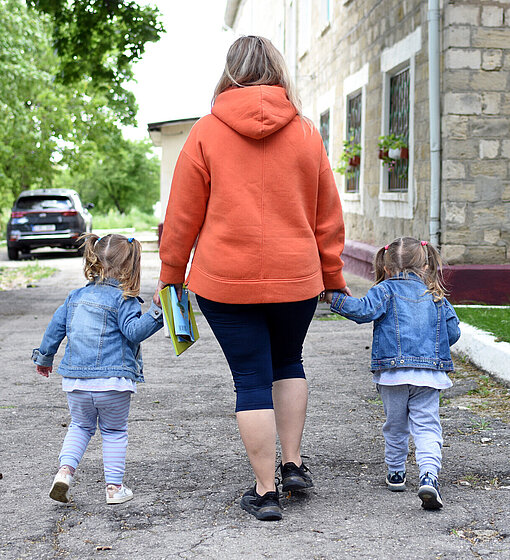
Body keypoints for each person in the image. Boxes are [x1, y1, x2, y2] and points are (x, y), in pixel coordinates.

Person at [153, 35, 350, 521]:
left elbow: (182, 217)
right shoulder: (306, 132)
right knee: (288, 361)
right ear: (278, 70)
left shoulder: (204, 133)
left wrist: (170, 278)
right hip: (296, 278)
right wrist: (334, 276)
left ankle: (266, 493)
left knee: (251, 380)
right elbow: (328, 214)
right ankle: (294, 463)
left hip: (225, 281)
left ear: (230, 71)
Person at [329, 237, 461, 510]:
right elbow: (453, 332)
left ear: (387, 267)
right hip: (428, 376)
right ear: (426, 264)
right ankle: (428, 476)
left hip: (392, 376)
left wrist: (333, 297)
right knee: (426, 426)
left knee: (395, 424)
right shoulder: (435, 295)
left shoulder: (385, 291)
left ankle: (396, 472)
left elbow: (362, 311)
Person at [33, 233, 163, 504]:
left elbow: (55, 330)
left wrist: (44, 358)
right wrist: (155, 313)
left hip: (76, 382)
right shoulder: (124, 300)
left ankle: (64, 472)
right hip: (112, 382)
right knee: (114, 432)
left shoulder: (74, 297)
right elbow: (134, 332)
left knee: (80, 426)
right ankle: (114, 489)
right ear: (130, 266)